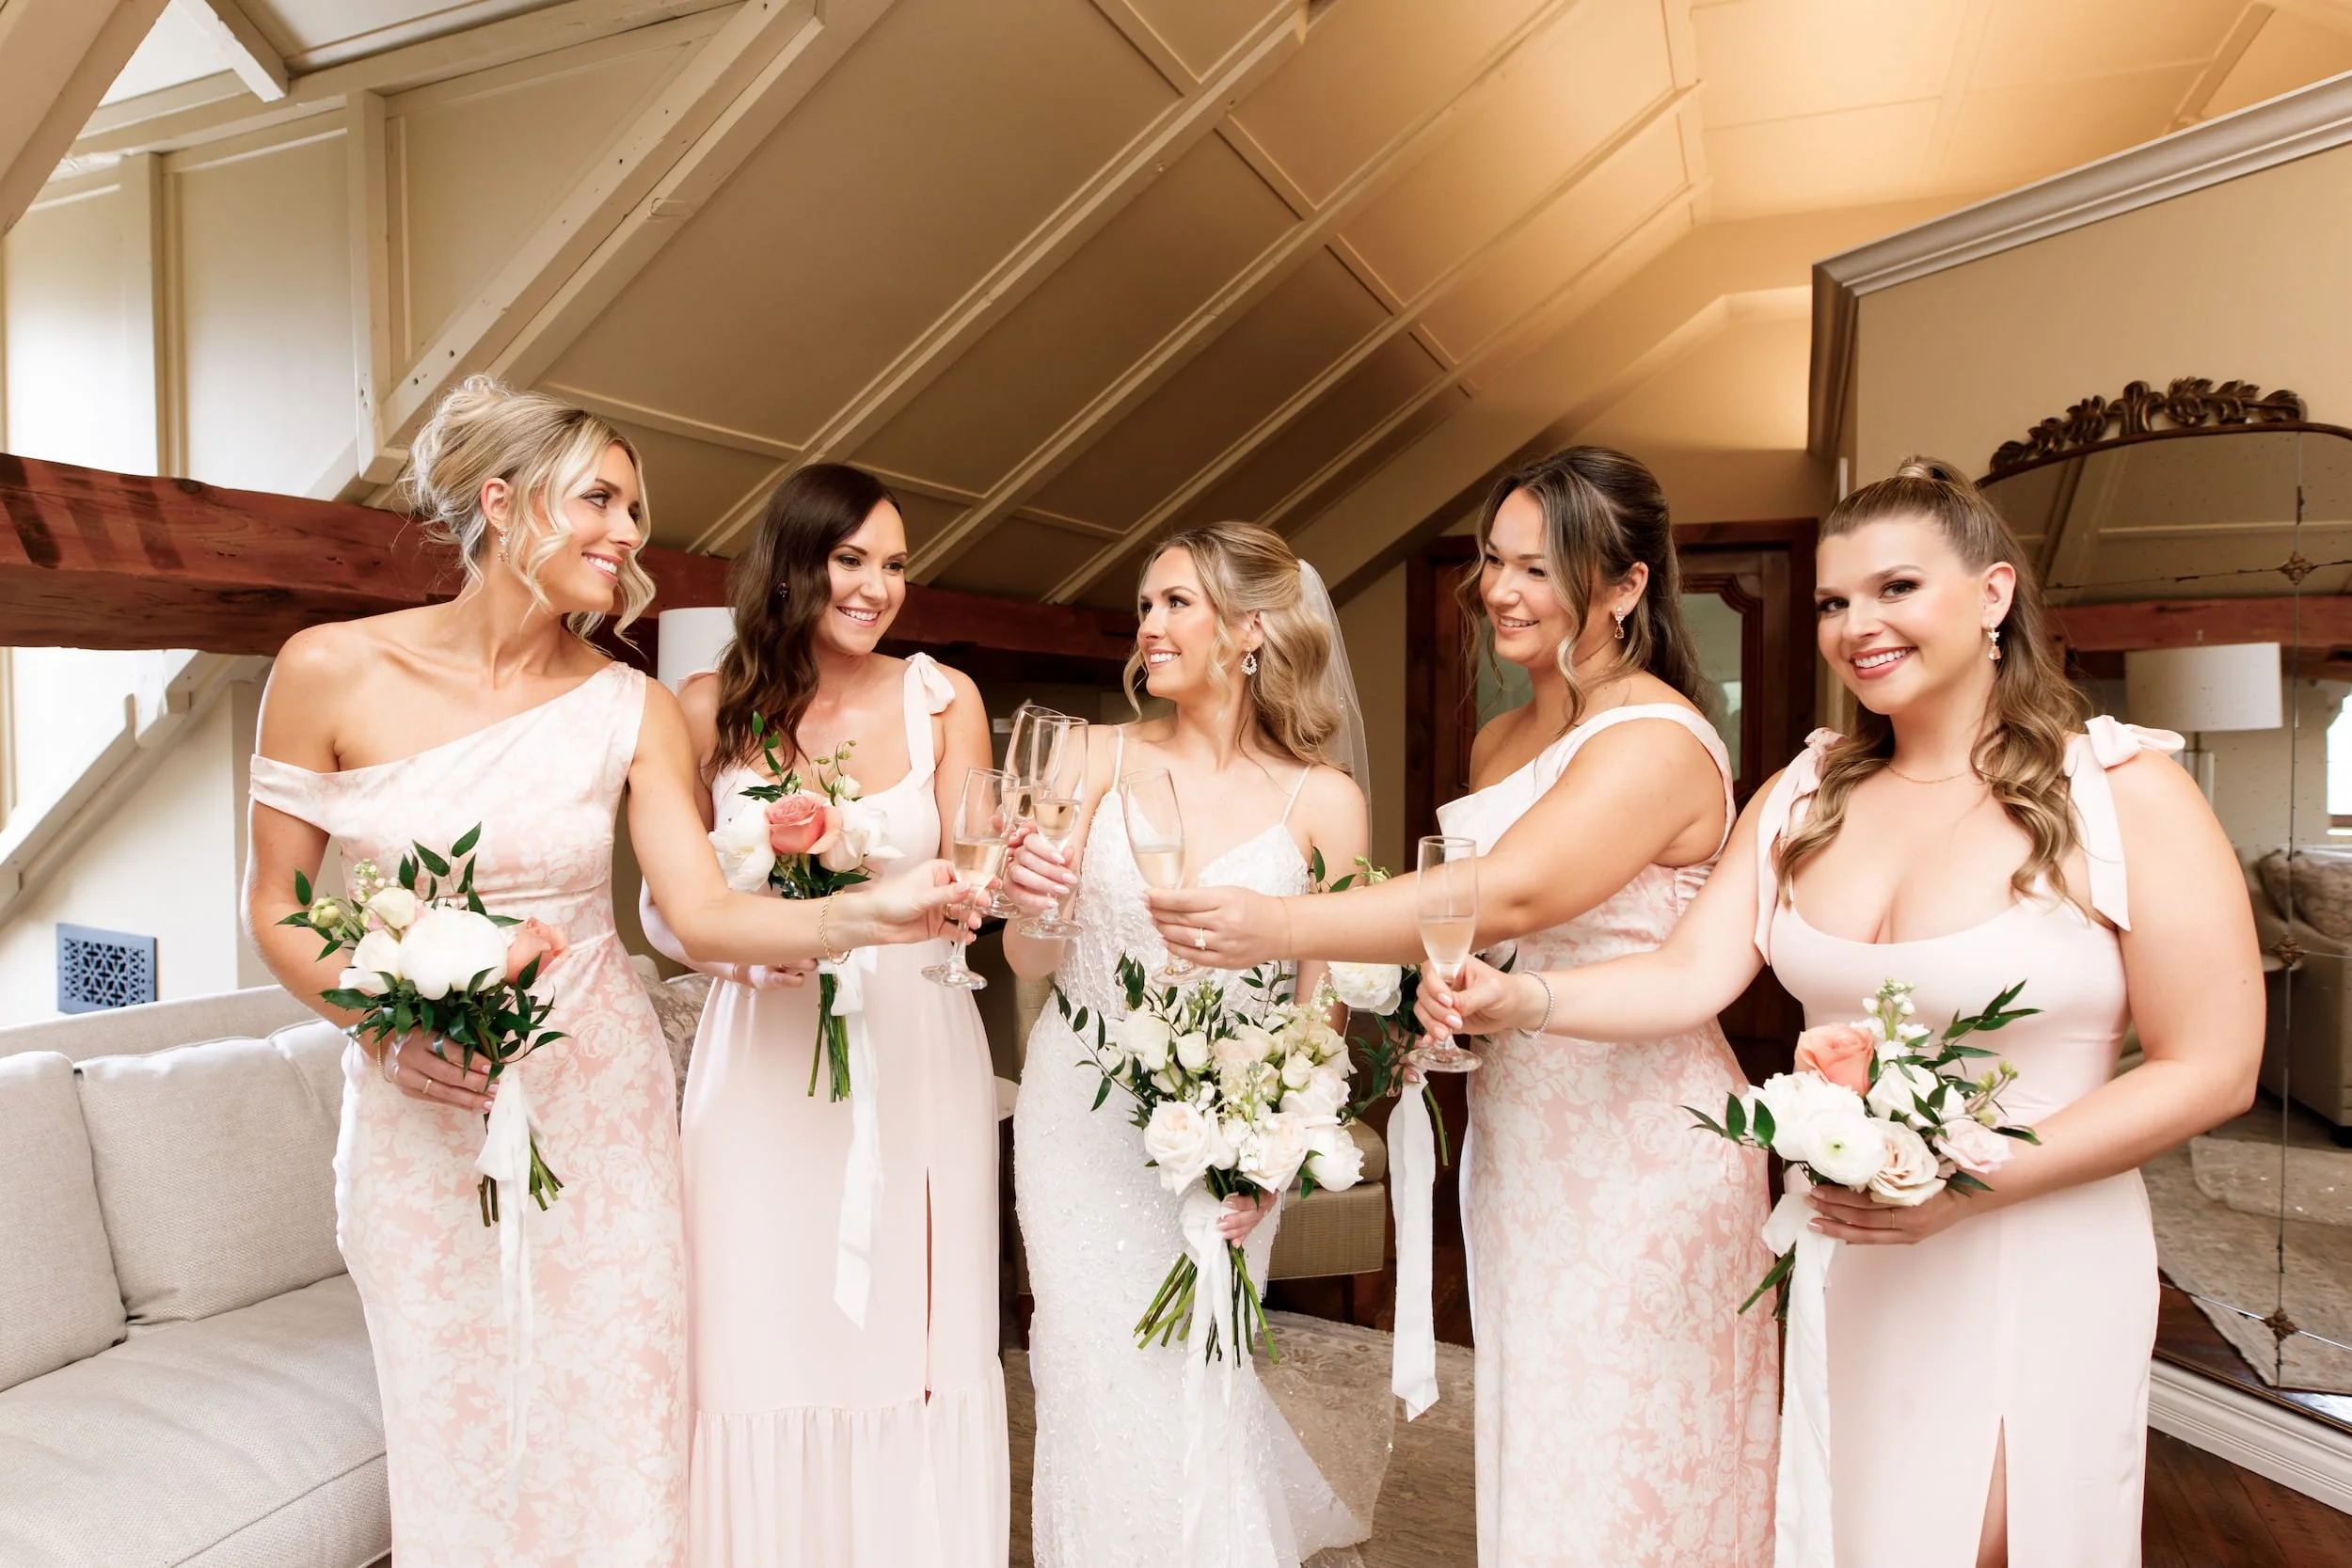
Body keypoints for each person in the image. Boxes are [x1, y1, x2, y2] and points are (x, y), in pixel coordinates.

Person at [1420, 457, 2264, 1568]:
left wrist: (1963, 1180)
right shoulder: (1800, 796)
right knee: (1843, 1532)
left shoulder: (2122, 791)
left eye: (1895, 588)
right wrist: (1521, 995)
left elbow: (2212, 1067)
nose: (1857, 624)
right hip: (1852, 1251)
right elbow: (1683, 977)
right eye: (1832, 600)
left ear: (1993, 594)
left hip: (2036, 1251)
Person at [243, 379, 973, 1567]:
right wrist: (380, 1027)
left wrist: (870, 910)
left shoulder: (629, 704)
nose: (629, 534)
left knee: (621, 1435)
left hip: (605, 1119)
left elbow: (699, 911)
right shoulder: (325, 669)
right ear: (501, 500)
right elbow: (276, 903)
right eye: (602, 498)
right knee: (457, 1439)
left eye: (635, 507)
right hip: (417, 1130)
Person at [1146, 448, 1777, 1565]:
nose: (1498, 589)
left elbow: (1512, 889)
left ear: (1625, 586)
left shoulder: (1655, 738)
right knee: (1541, 1438)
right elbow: (1491, 935)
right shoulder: (1502, 736)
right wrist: (1458, 1003)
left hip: (1645, 1148)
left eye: (1538, 567)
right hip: (1524, 1133)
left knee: (1632, 1450)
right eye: (1493, 559)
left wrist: (1285, 923)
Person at [638, 462, 1008, 1567]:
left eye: (894, 565)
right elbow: (668, 909)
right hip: (759, 1055)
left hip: (912, 1048)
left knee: (906, 1325)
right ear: (794, 564)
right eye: (851, 560)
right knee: (758, 1324)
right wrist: (741, 954)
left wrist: (978, 888)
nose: (876, 587)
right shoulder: (703, 707)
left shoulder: (943, 697)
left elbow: (973, 885)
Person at [1000, 521, 1372, 1567]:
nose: (1147, 625)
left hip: (1235, 1127)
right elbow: (1031, 957)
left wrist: (1275, 1149)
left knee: (1203, 1363)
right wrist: (1029, 901)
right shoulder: (1088, 754)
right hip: (1078, 1109)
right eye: (1146, 603)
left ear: (1248, 628)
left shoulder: (1323, 800)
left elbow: (1321, 1010)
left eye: (1176, 603)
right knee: (1089, 1366)